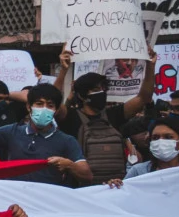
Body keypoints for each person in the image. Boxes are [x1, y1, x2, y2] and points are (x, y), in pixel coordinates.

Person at [56, 49, 157, 185]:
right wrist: (63, 70)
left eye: (103, 89)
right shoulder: (71, 117)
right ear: (81, 95)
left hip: (115, 186)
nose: (101, 93)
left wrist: (150, 66)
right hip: (83, 189)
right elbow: (54, 100)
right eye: (96, 90)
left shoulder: (114, 115)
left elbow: (143, 98)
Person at [0, 83, 91, 186]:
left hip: (45, 200)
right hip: (15, 198)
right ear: (29, 107)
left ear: (55, 111)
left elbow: (87, 175)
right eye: (39, 104)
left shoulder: (67, 141)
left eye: (50, 105)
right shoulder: (12, 132)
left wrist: (69, 165)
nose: (44, 109)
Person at [107, 115, 179, 186]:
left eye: (168, 137)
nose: (161, 141)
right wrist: (116, 185)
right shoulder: (139, 171)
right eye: (155, 137)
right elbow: (125, 194)